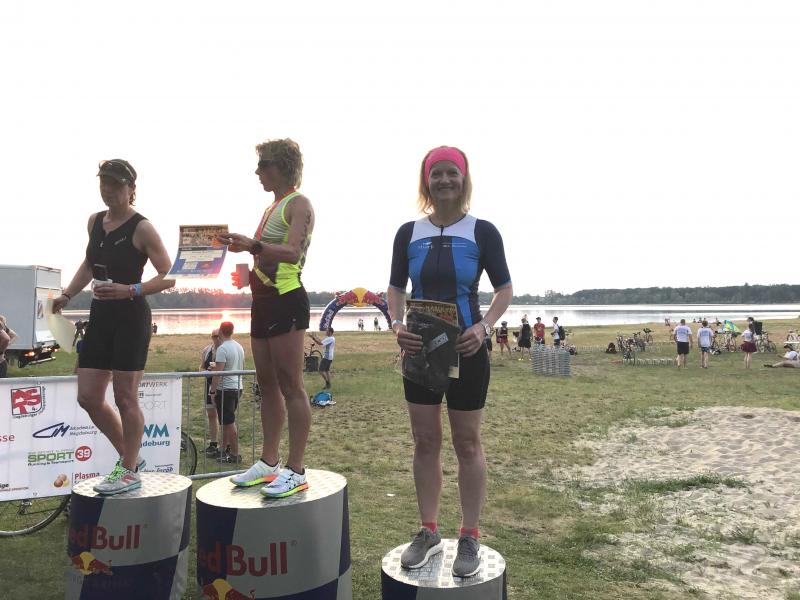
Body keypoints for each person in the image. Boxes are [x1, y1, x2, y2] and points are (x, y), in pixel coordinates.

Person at [388, 146, 513, 578]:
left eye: (451, 173)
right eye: (436, 174)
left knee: (467, 443)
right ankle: (428, 531)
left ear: (463, 179)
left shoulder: (483, 231)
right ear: (426, 181)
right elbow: (395, 288)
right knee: (425, 441)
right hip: (420, 351)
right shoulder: (409, 232)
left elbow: (505, 289)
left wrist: (484, 327)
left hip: (467, 349)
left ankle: (470, 535)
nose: (444, 180)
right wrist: (396, 325)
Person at [52, 159, 174, 494]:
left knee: (125, 397)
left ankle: (129, 469)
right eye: (103, 183)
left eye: (116, 185)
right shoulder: (94, 221)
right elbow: (89, 263)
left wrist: (129, 289)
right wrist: (67, 294)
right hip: (101, 316)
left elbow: (168, 275)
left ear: (131, 189)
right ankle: (130, 458)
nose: (108, 190)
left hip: (131, 316)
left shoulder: (142, 228)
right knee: (88, 396)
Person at [218, 138, 313, 498]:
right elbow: (266, 256)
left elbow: (292, 253)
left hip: (287, 300)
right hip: (263, 302)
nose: (257, 172)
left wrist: (253, 245)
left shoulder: (299, 203)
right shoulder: (271, 206)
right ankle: (269, 462)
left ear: (282, 166)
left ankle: (296, 469)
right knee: (267, 385)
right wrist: (248, 271)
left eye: (263, 165)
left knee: (292, 385)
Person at [209, 321, 245, 463]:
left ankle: (235, 454)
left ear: (220, 332)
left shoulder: (222, 349)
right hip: (237, 387)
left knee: (229, 422)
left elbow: (218, 373)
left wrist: (212, 391)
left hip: (226, 389)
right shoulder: (239, 346)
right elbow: (241, 366)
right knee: (224, 421)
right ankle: (222, 450)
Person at [200, 329, 222, 457]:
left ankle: (226, 446)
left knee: (224, 416)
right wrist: (206, 372)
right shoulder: (207, 350)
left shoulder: (225, 350)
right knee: (211, 415)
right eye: (214, 336)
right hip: (209, 385)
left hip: (222, 386)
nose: (217, 338)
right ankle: (213, 443)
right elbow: (201, 367)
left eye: (219, 336)